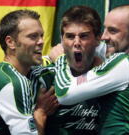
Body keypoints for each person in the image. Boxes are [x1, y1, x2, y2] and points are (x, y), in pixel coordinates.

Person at [52, 4, 129, 135]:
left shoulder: (125, 63)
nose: (104, 37)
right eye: (104, 29)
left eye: (113, 31)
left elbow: (65, 93)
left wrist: (60, 60)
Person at [0, 9, 58, 135]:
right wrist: (40, 112)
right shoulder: (13, 83)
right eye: (33, 36)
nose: (41, 41)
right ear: (11, 42)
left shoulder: (2, 72)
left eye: (41, 35)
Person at [33, 5, 103, 135]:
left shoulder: (110, 76)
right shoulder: (44, 78)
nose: (76, 42)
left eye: (84, 36)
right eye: (70, 36)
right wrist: (39, 112)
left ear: (98, 39)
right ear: (62, 40)